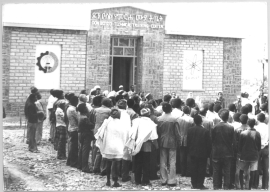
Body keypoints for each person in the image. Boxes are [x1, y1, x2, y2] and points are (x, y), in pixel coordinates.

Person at [95, 109, 128, 188]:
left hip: (108, 146)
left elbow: (101, 133)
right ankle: (115, 181)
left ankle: (108, 181)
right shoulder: (121, 123)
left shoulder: (107, 122)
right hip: (117, 147)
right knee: (116, 164)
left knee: (108, 163)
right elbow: (124, 135)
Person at [126, 108, 158, 186]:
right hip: (147, 145)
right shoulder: (151, 123)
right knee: (146, 163)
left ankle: (137, 180)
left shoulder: (136, 121)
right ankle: (145, 180)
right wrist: (156, 146)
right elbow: (154, 137)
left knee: (138, 162)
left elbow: (132, 132)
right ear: (149, 114)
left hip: (137, 144)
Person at [157, 103, 181, 186]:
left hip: (162, 141)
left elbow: (158, 132)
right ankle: (171, 180)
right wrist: (179, 141)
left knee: (162, 160)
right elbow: (177, 133)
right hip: (172, 141)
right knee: (172, 161)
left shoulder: (159, 119)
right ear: (171, 109)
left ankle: (163, 179)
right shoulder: (174, 119)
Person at [212, 109, 235, 190]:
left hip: (217, 152)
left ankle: (216, 186)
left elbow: (212, 140)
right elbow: (232, 140)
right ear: (228, 117)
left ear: (219, 116)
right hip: (228, 152)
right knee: (227, 171)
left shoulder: (214, 127)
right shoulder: (231, 128)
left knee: (216, 170)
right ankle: (226, 187)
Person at [187, 115, 211, 189]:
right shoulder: (206, 131)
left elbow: (188, 141)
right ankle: (200, 184)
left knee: (193, 168)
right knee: (201, 169)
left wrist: (189, 151)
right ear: (201, 121)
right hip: (203, 153)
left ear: (194, 121)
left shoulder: (190, 130)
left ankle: (194, 184)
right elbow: (208, 144)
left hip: (193, 152)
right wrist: (208, 153)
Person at [239, 118, 261, 190]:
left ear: (247, 124)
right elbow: (259, 146)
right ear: (254, 124)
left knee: (241, 170)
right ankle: (250, 188)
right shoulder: (257, 134)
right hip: (254, 155)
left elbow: (240, 145)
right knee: (253, 171)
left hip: (244, 155)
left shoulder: (243, 133)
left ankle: (242, 187)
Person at [92, 98, 111, 174]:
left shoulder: (95, 110)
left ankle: (94, 165)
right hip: (104, 130)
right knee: (102, 149)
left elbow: (92, 119)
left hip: (96, 129)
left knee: (95, 147)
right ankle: (101, 168)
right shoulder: (109, 111)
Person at [116, 99, 132, 182]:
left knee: (117, 156)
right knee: (125, 157)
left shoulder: (114, 114)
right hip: (125, 137)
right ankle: (124, 175)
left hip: (116, 137)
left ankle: (116, 173)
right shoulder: (126, 115)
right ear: (126, 106)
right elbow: (128, 128)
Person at [175, 106, 194, 176]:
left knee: (181, 155)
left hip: (180, 138)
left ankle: (182, 171)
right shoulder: (192, 120)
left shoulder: (178, 119)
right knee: (188, 155)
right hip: (189, 138)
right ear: (189, 111)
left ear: (183, 111)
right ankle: (188, 171)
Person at [77, 103, 94, 173]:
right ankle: (85, 167)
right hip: (86, 134)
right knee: (85, 151)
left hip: (81, 134)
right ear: (84, 109)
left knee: (81, 150)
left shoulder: (79, 116)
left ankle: (80, 165)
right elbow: (91, 126)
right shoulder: (85, 118)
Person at [254, 113, 269, 189]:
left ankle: (255, 184)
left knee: (256, 166)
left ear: (258, 119)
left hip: (257, 148)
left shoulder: (256, 128)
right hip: (266, 148)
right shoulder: (268, 127)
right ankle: (265, 185)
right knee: (266, 168)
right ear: (264, 119)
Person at [234, 114, 249, 190]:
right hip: (248, 152)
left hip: (239, 152)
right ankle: (247, 185)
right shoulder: (251, 129)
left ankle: (238, 186)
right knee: (247, 169)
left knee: (238, 169)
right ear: (247, 120)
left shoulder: (237, 130)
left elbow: (235, 142)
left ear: (240, 120)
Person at [66, 95, 79, 168]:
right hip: (74, 129)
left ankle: (69, 160)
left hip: (71, 127)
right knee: (74, 146)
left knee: (72, 145)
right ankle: (73, 162)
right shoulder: (73, 109)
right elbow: (78, 118)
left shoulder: (69, 108)